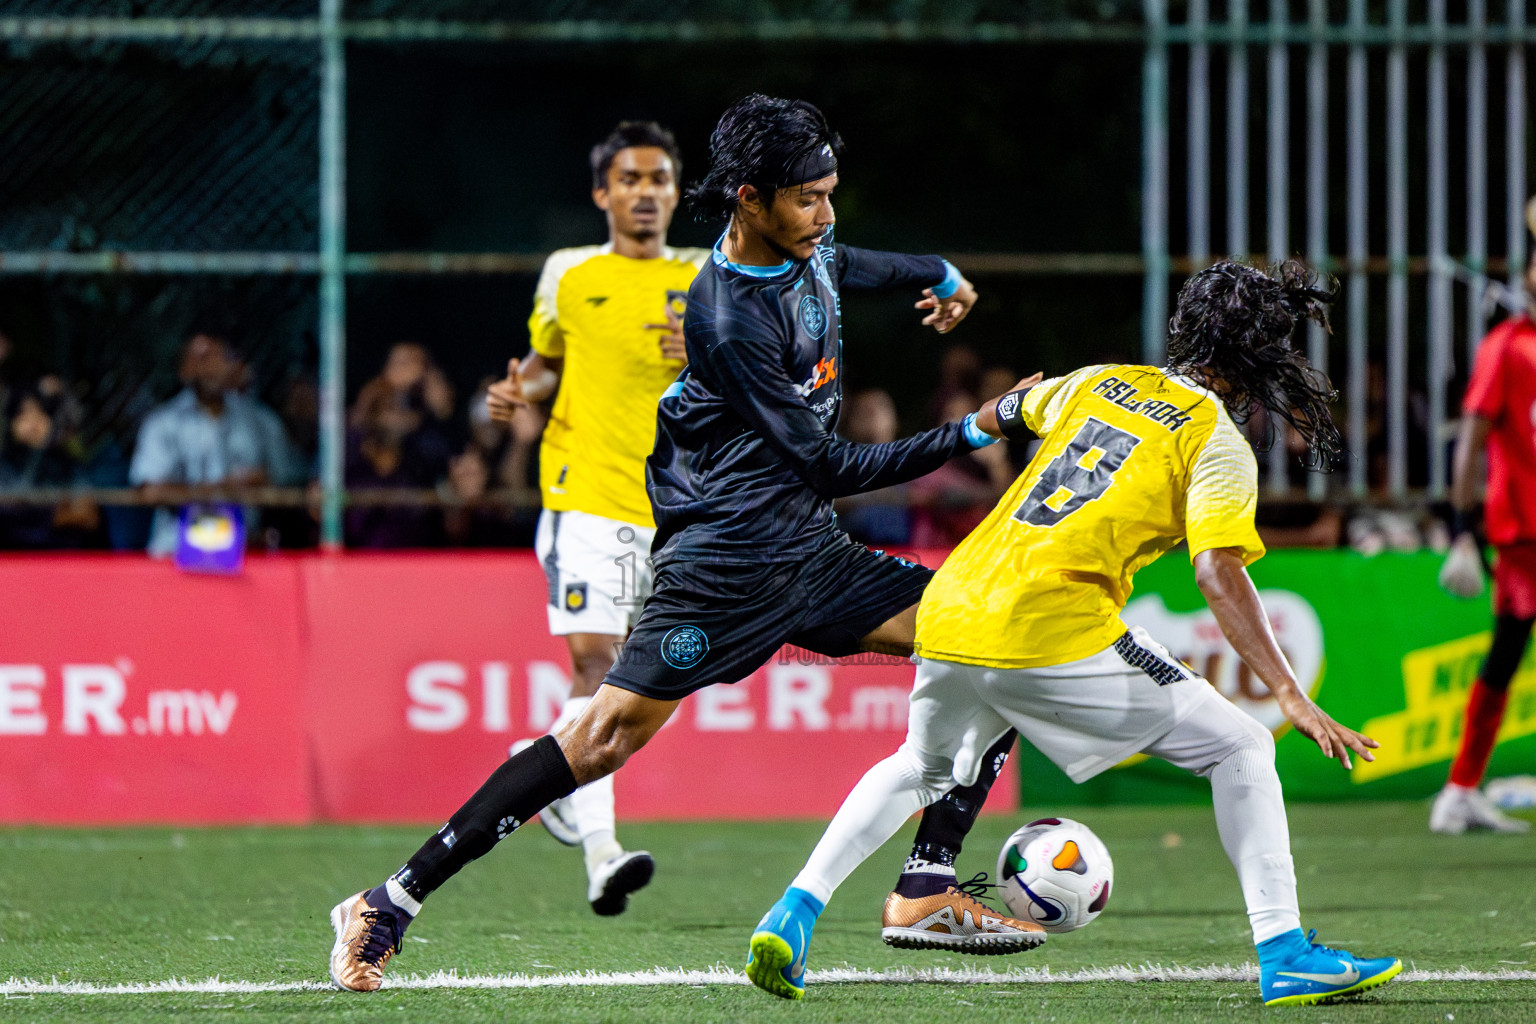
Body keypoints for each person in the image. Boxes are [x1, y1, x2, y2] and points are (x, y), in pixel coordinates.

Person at [327, 94, 1032, 992]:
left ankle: (927, 885)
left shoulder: (809, 252)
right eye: (807, 198)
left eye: (830, 193)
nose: (825, 214)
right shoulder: (727, 316)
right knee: (600, 740)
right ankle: (388, 900)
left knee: (1003, 644)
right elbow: (827, 462)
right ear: (748, 198)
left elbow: (850, 262)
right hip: (724, 566)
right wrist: (979, 428)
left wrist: (933, 270)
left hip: (812, 553)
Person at [747, 261, 1403, 1008]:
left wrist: (992, 415)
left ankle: (794, 911)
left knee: (921, 765)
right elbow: (1218, 572)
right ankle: (1285, 952)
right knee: (1243, 744)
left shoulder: (1100, 379)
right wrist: (1289, 693)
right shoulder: (1215, 440)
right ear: (1262, 356)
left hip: (957, 599)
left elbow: (1014, 407)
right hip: (1047, 625)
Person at [479, 121, 708, 913]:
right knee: (596, 666)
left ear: (677, 193)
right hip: (585, 493)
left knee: (654, 692)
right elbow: (545, 368)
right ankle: (604, 857)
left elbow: (768, 375)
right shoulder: (569, 274)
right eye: (630, 179)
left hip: (680, 510)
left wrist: (713, 348)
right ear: (602, 193)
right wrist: (518, 394)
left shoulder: (712, 277)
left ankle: (542, 772)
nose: (646, 193)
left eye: (659, 179)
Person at [1433, 228, 1536, 835]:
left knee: (1503, 659)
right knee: (1504, 658)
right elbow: (1469, 439)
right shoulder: (1507, 346)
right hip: (1525, 536)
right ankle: (1461, 789)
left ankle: (1460, 790)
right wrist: (1462, 525)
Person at [129, 330, 295, 556]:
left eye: (219, 358)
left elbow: (290, 482)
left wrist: (264, 484)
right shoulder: (163, 423)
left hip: (247, 551)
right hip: (176, 549)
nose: (211, 368)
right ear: (184, 370)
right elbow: (150, 491)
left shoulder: (259, 420)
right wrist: (227, 488)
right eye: (202, 359)